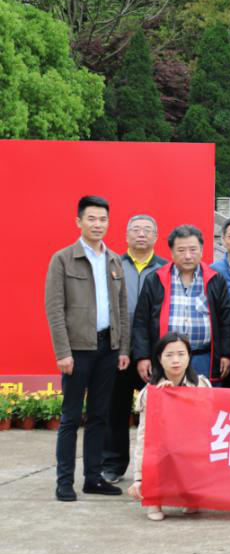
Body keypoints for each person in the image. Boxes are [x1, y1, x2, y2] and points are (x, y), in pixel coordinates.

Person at [45, 195, 131, 501]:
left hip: (109, 347)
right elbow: (55, 309)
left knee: (99, 416)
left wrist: (123, 348)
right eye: (91, 219)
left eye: (103, 219)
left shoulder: (114, 260)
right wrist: (62, 352)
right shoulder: (63, 259)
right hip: (78, 350)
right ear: (78, 221)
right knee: (71, 417)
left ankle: (93, 478)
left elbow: (122, 308)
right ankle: (64, 481)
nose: (98, 224)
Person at [102, 214, 166, 484]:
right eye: (136, 230)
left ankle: (156, 466)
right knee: (115, 409)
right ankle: (112, 464)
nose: (141, 234)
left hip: (154, 353)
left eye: (147, 230)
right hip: (118, 350)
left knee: (159, 413)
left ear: (156, 237)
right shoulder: (112, 265)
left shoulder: (165, 269)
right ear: (126, 235)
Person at [132, 225, 230, 385]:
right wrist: (142, 356)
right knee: (166, 398)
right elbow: (141, 321)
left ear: (201, 250)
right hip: (166, 359)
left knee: (203, 398)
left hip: (204, 357)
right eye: (181, 250)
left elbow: (226, 320)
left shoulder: (215, 279)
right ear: (172, 252)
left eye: (193, 250)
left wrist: (226, 354)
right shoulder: (155, 279)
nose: (187, 256)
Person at [127, 333, 212, 520]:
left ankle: (191, 497)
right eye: (169, 355)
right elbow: (143, 437)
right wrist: (139, 478)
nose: (176, 360)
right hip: (162, 449)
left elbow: (210, 421)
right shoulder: (151, 392)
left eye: (181, 354)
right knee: (158, 454)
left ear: (189, 356)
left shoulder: (201, 385)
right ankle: (154, 500)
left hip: (190, 448)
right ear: (159, 358)